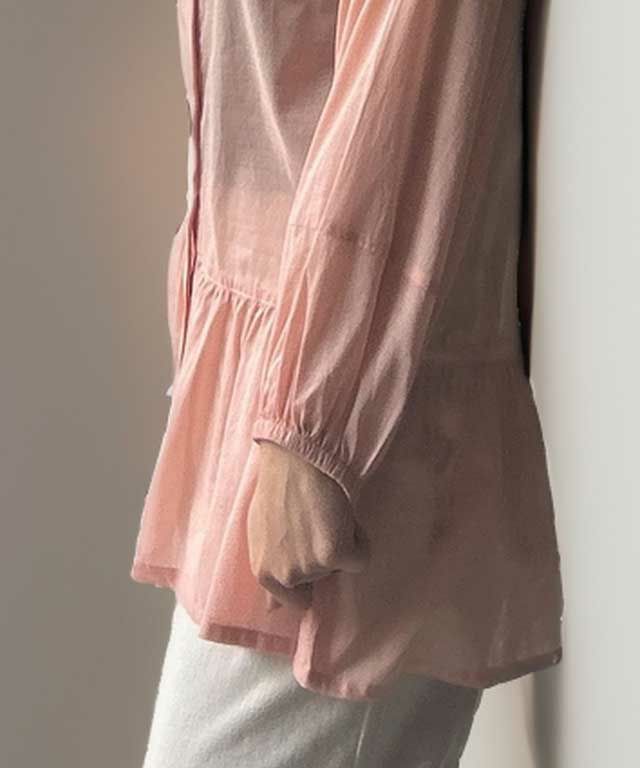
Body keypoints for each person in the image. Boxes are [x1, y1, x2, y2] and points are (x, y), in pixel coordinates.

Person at [132, 0, 564, 764]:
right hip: (278, 391)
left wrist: (313, 425)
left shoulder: (322, 419)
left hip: (358, 425)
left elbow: (412, 66)